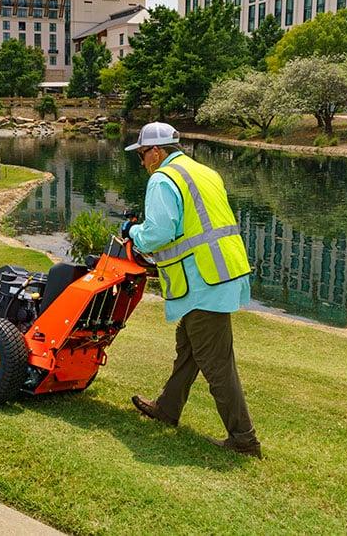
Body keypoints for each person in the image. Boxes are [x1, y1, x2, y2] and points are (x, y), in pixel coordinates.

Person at [122, 122, 261, 459]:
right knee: (189, 348)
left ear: (156, 152)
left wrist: (133, 231)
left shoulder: (162, 179)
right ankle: (167, 409)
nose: (142, 162)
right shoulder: (203, 172)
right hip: (222, 271)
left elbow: (159, 233)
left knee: (217, 363)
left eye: (142, 155)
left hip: (203, 281)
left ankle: (243, 439)